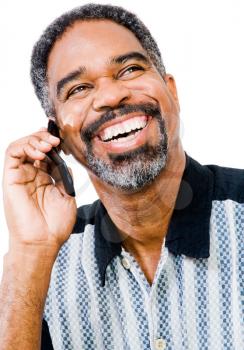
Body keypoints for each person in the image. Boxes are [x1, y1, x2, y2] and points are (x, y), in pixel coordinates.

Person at [0, 3, 243, 350]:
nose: (112, 96)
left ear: (171, 91)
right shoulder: (44, 268)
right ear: (59, 139)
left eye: (129, 69)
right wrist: (28, 252)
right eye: (78, 89)